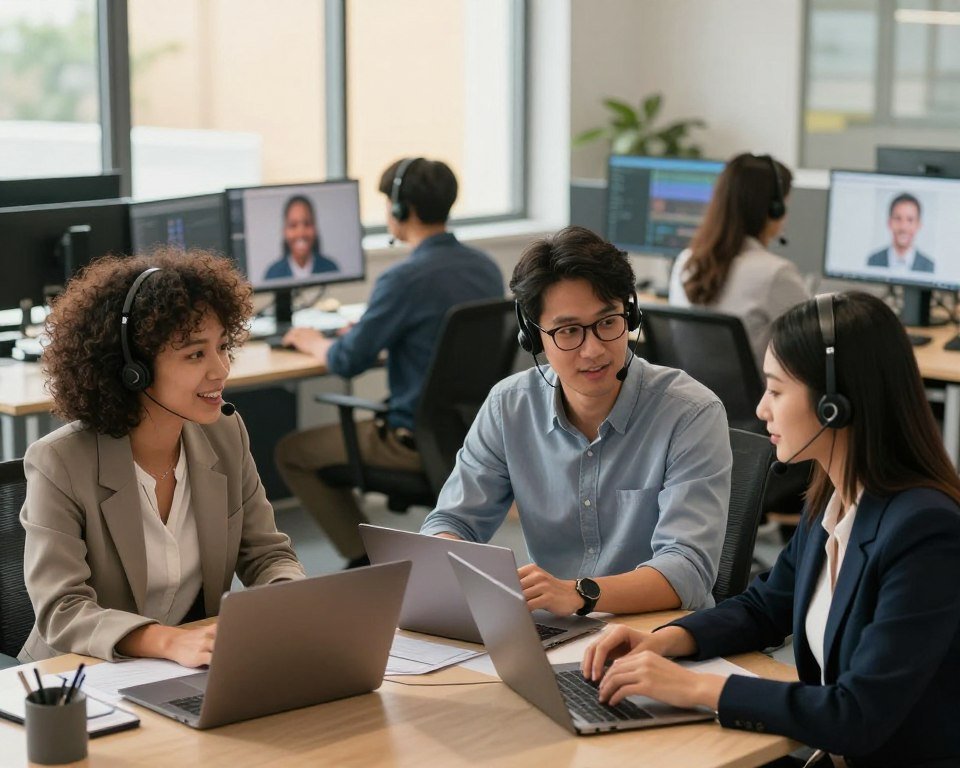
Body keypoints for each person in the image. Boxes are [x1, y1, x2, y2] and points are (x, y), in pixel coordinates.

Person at [581, 292, 960, 766]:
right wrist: (666, 640)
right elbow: (766, 606)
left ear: (833, 407)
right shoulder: (835, 496)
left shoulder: (925, 531)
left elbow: (859, 714)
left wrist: (697, 687)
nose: (762, 409)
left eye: (776, 391)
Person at [420, 226, 732, 616]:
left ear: (630, 314)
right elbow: (451, 521)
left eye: (607, 322)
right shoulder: (509, 406)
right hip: (555, 629)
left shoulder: (689, 413)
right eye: (568, 331)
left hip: (659, 635)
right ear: (533, 337)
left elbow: (687, 569)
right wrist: (449, 563)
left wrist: (581, 594)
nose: (594, 349)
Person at [19, 248, 306, 666]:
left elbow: (267, 555)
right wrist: (168, 642)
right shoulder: (59, 462)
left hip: (186, 668)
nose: (221, 369)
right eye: (195, 354)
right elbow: (62, 610)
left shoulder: (225, 434)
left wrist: (288, 599)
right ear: (134, 369)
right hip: (80, 678)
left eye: (223, 346)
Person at [275, 157, 503, 567]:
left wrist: (311, 341)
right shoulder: (485, 267)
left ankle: (367, 560)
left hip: (410, 442)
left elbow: (347, 361)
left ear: (401, 210)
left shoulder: (403, 279)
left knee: (292, 452)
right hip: (468, 436)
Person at [668, 153, 810, 367]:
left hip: (694, 399)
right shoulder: (775, 273)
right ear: (773, 209)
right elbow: (817, 344)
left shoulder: (685, 263)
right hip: (757, 400)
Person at [263, 194, 338, 280]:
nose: (301, 233)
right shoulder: (273, 275)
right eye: (293, 225)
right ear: (284, 231)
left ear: (315, 228)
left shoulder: (331, 270)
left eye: (307, 223)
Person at [866, 192, 935, 273]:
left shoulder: (928, 266)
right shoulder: (873, 261)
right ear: (889, 222)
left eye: (910, 220)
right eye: (898, 219)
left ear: (918, 225)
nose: (903, 227)